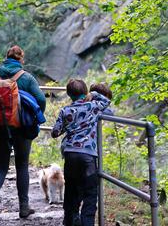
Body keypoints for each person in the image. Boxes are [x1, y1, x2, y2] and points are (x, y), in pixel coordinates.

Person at [0, 46, 47, 221]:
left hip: (0, 126)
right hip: (23, 127)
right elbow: (41, 99)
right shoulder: (26, 77)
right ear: (21, 59)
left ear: (6, 57)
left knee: (1, 166)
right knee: (22, 165)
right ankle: (24, 208)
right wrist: (34, 116)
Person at [51, 79, 113, 226]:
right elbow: (106, 101)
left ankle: (70, 221)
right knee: (90, 194)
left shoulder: (65, 111)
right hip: (88, 156)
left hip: (71, 155)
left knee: (71, 190)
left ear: (68, 94)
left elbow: (55, 132)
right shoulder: (93, 106)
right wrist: (93, 94)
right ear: (85, 92)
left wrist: (69, 126)